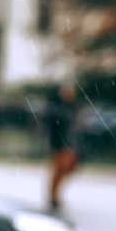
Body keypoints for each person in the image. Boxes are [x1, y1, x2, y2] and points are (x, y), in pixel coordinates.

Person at [45, 80, 81, 211]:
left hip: (69, 144)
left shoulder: (72, 107)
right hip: (60, 144)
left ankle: (54, 195)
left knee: (67, 169)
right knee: (59, 170)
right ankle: (53, 196)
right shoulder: (57, 108)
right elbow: (54, 127)